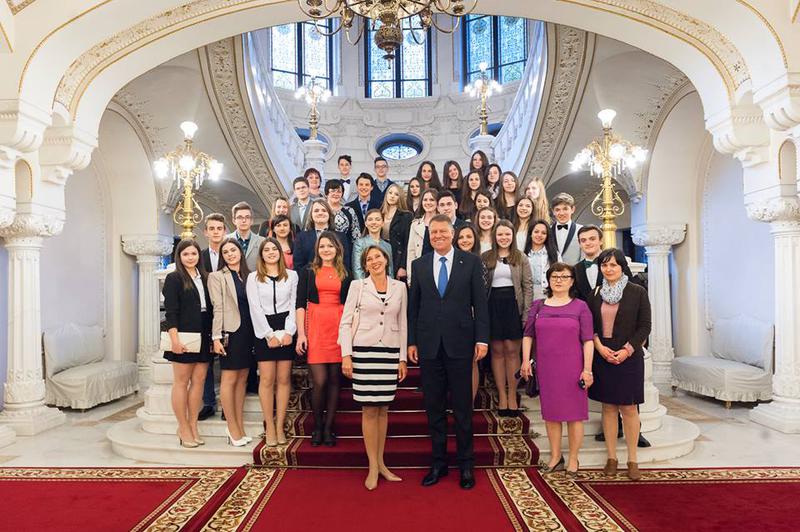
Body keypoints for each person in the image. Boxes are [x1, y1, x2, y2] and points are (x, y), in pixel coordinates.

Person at [408, 215, 490, 490]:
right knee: (434, 408)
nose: (438, 236)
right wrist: (412, 342)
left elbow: (480, 304)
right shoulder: (419, 265)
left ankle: (466, 464)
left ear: (452, 233)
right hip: (429, 345)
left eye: (443, 231)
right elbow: (413, 308)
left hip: (461, 344)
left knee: (463, 408)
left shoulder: (471, 263)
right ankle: (438, 462)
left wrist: (482, 339)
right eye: (434, 232)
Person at [340, 246, 408, 490]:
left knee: (383, 409)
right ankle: (372, 466)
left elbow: (403, 322)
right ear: (365, 265)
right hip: (364, 351)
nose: (374, 261)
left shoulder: (400, 287)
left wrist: (402, 358)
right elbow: (345, 322)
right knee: (369, 409)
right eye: (369, 259)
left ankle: (382, 464)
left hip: (389, 352)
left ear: (386, 259)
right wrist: (346, 355)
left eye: (378, 256)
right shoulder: (357, 287)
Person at [521, 262, 594, 476]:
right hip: (547, 368)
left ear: (572, 281)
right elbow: (528, 335)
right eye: (554, 276)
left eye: (564, 276)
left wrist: (587, 370)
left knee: (574, 416)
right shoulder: (538, 305)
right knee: (551, 415)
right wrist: (526, 361)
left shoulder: (581, 306)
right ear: (548, 280)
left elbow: (588, 340)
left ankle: (572, 459)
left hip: (573, 369)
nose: (559, 280)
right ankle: (555, 456)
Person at [587, 248, 652, 481]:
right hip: (603, 356)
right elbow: (590, 326)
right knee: (608, 408)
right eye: (605, 265)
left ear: (621, 266)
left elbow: (645, 326)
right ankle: (612, 458)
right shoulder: (596, 293)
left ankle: (632, 459)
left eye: (613, 265)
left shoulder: (637, 292)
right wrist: (599, 348)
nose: (609, 269)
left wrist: (626, 350)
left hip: (629, 357)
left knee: (629, 408)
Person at [296, 233, 353, 446]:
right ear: (317, 249)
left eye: (330, 246)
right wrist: (301, 334)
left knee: (335, 381)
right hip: (316, 327)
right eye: (322, 246)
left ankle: (328, 429)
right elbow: (300, 304)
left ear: (337, 248)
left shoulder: (345, 273)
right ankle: (317, 426)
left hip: (338, 328)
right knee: (319, 381)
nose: (326, 249)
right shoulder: (308, 272)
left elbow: (350, 307)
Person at [247, 238, 298, 447]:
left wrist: (289, 332)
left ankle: (279, 426)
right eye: (266, 249)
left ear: (280, 253)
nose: (270, 252)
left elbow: (295, 304)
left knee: (284, 378)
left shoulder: (292, 276)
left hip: (286, 326)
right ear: (261, 254)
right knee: (267, 379)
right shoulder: (253, 278)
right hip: (264, 329)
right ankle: (269, 425)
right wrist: (269, 335)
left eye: (274, 249)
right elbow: (255, 308)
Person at [162, 239, 213, 448]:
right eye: (186, 254)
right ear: (179, 257)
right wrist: (174, 339)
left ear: (198, 256)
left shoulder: (206, 277)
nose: (190, 257)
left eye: (193, 253)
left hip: (204, 332)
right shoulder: (174, 278)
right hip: (183, 333)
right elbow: (170, 311)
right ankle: (182, 427)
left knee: (199, 381)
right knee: (181, 382)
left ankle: (193, 425)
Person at [481, 220, 533, 417]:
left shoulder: (520, 257)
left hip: (513, 305)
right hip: (492, 304)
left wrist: (526, 314)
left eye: (507, 234)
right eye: (500, 234)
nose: (503, 238)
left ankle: (513, 395)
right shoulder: (486, 257)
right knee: (496, 350)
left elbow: (527, 287)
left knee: (512, 350)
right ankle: (502, 396)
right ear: (495, 236)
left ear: (513, 236)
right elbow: (481, 286)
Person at [208, 238, 254, 447]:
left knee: (242, 379)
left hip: (249, 332)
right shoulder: (216, 277)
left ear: (240, 252)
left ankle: (239, 426)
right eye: (225, 252)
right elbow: (217, 308)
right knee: (229, 379)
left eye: (233, 250)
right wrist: (216, 336)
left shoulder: (249, 275)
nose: (230, 254)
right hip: (230, 332)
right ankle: (232, 428)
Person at [199, 213, 226, 421]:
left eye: (219, 228)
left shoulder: (231, 253)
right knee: (206, 361)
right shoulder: (198, 256)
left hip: (229, 315)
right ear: (205, 232)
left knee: (229, 361)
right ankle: (209, 402)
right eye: (212, 228)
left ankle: (228, 403)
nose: (216, 232)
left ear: (224, 231)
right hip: (206, 313)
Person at [454, 224, 484, 400]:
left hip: (474, 318)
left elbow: (482, 294)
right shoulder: (452, 260)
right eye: (461, 237)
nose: (465, 240)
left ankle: (469, 403)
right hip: (455, 319)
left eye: (469, 237)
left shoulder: (481, 260)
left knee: (471, 362)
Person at [293, 199, 353, 273]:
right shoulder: (301, 237)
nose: (320, 213)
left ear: (329, 214)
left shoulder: (341, 237)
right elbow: (298, 265)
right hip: (309, 281)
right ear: (311, 215)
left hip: (335, 280)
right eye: (316, 211)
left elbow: (345, 263)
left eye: (324, 210)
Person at [405, 189, 438, 283]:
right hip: (420, 271)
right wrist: (410, 277)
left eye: (432, 200)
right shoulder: (415, 225)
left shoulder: (443, 222)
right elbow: (411, 252)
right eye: (425, 200)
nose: (428, 203)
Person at [381, 183, 412, 282]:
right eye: (390, 193)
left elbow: (408, 243)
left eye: (396, 194)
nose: (392, 196)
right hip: (380, 254)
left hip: (397, 257)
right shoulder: (379, 213)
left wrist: (403, 266)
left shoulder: (406, 216)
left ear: (400, 197)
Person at [352, 209, 393, 279]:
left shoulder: (387, 246)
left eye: (377, 219)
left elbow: (390, 270)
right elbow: (357, 270)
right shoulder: (359, 243)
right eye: (370, 219)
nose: (374, 222)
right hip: (366, 285)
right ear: (366, 223)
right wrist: (364, 287)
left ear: (382, 223)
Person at [525, 219, 560, 301]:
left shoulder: (554, 254)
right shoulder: (523, 254)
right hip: (527, 295)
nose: (539, 235)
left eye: (543, 233)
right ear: (530, 233)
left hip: (548, 295)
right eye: (536, 232)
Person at [228, 201, 266, 272]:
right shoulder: (225, 240)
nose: (244, 220)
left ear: (251, 221)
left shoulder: (262, 241)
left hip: (255, 281)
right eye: (240, 217)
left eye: (247, 217)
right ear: (234, 220)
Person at [325, 178, 360, 244]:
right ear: (327, 193)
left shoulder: (349, 211)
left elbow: (356, 235)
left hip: (345, 249)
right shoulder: (321, 210)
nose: (336, 194)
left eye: (339, 191)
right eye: (333, 191)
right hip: (325, 249)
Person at [574, 225, 603, 301]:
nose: (588, 243)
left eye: (592, 239)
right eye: (583, 240)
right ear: (580, 244)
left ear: (601, 241)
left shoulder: (616, 264)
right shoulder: (575, 269)